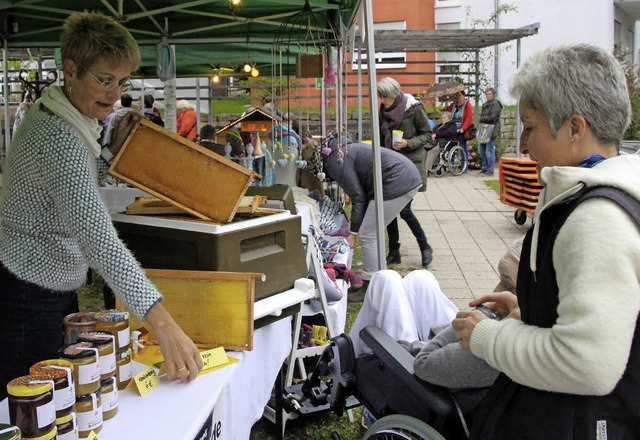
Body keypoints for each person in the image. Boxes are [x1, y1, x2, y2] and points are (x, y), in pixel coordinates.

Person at [0, 11, 203, 400]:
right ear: (70, 71)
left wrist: (108, 151)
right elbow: (99, 241)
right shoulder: (59, 135)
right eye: (104, 79)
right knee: (34, 406)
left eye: (121, 82)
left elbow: (70, 183)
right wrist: (162, 322)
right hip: (29, 293)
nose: (113, 93)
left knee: (55, 402)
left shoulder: (59, 112)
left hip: (43, 281)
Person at [452, 43, 640, 439]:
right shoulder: (597, 195)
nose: (522, 144)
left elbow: (587, 364)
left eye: (530, 127)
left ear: (574, 128)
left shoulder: (597, 219)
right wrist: (535, 311)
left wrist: (488, 338)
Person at [321, 134, 422, 301]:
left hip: (397, 179)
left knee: (368, 233)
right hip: (405, 175)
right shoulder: (343, 151)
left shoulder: (334, 161)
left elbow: (358, 196)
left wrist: (353, 232)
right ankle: (380, 282)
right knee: (373, 233)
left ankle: (370, 287)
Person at [377, 77, 433, 267]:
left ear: (394, 94)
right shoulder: (383, 111)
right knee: (390, 209)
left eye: (385, 96)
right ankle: (394, 251)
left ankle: (424, 246)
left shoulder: (413, 108)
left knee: (404, 209)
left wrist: (408, 143)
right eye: (380, 96)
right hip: (391, 165)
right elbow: (378, 135)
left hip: (410, 164)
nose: (382, 100)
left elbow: (427, 135)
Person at [269, 112, 301, 187]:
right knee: (290, 172)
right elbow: (298, 143)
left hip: (276, 150)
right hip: (291, 151)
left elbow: (269, 138)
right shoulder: (292, 134)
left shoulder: (274, 130)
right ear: (291, 121)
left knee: (277, 169)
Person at [477, 88, 502, 175]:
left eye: (489, 94)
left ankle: (490, 169)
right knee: (481, 149)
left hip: (492, 129)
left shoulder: (496, 104)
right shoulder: (485, 104)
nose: (487, 96)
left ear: (493, 94)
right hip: (485, 129)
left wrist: (482, 118)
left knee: (489, 150)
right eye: (486, 94)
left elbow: (493, 118)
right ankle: (485, 167)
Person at [447, 90, 473, 172]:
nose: (458, 97)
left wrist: (463, 128)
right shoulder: (453, 105)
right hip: (453, 128)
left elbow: (469, 118)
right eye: (457, 96)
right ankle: (453, 166)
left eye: (460, 95)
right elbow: (448, 113)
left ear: (463, 96)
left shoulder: (467, 105)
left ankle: (464, 167)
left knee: (462, 146)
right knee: (452, 147)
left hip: (462, 128)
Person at [425, 111, 458, 175]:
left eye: (444, 117)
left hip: (445, 143)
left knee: (431, 152)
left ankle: (426, 170)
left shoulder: (451, 125)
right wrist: (433, 135)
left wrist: (436, 135)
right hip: (436, 142)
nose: (442, 119)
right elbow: (434, 130)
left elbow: (448, 133)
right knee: (424, 150)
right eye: (442, 117)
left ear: (449, 118)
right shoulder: (440, 125)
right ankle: (426, 168)